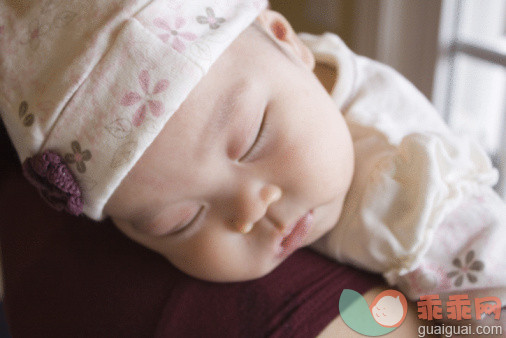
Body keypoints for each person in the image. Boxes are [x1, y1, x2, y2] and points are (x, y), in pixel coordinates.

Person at [1, 0, 502, 331]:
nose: (248, 213)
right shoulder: (259, 79)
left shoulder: (417, 194)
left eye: (253, 141)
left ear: (288, 39)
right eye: (178, 221)